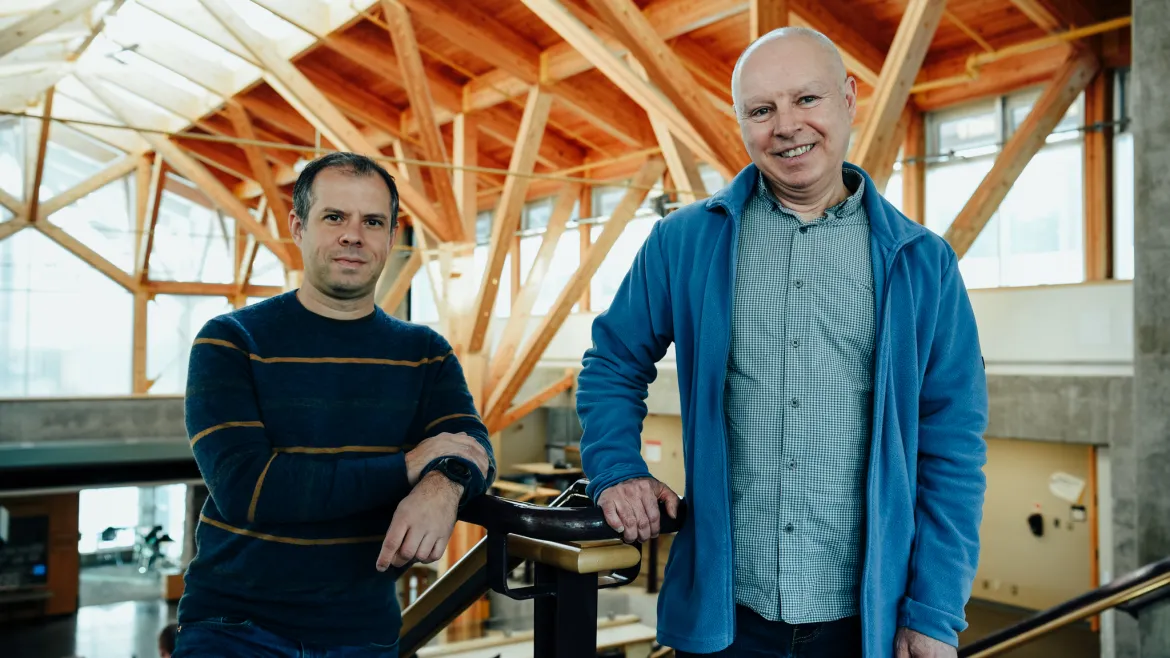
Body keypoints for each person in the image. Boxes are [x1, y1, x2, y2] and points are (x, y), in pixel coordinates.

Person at [576, 27, 987, 658]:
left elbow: (952, 445)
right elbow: (613, 361)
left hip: (866, 624)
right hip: (730, 618)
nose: (786, 126)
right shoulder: (684, 242)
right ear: (740, 121)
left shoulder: (922, 263)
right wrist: (617, 467)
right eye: (761, 110)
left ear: (849, 99)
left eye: (807, 100)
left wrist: (934, 611)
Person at [173, 152, 495, 657]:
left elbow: (471, 446)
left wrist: (442, 484)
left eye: (372, 222)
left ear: (391, 238)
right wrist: (409, 466)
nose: (353, 235)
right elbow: (249, 490)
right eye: (334, 217)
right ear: (298, 227)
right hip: (235, 626)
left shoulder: (424, 353)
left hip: (361, 632)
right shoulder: (231, 340)